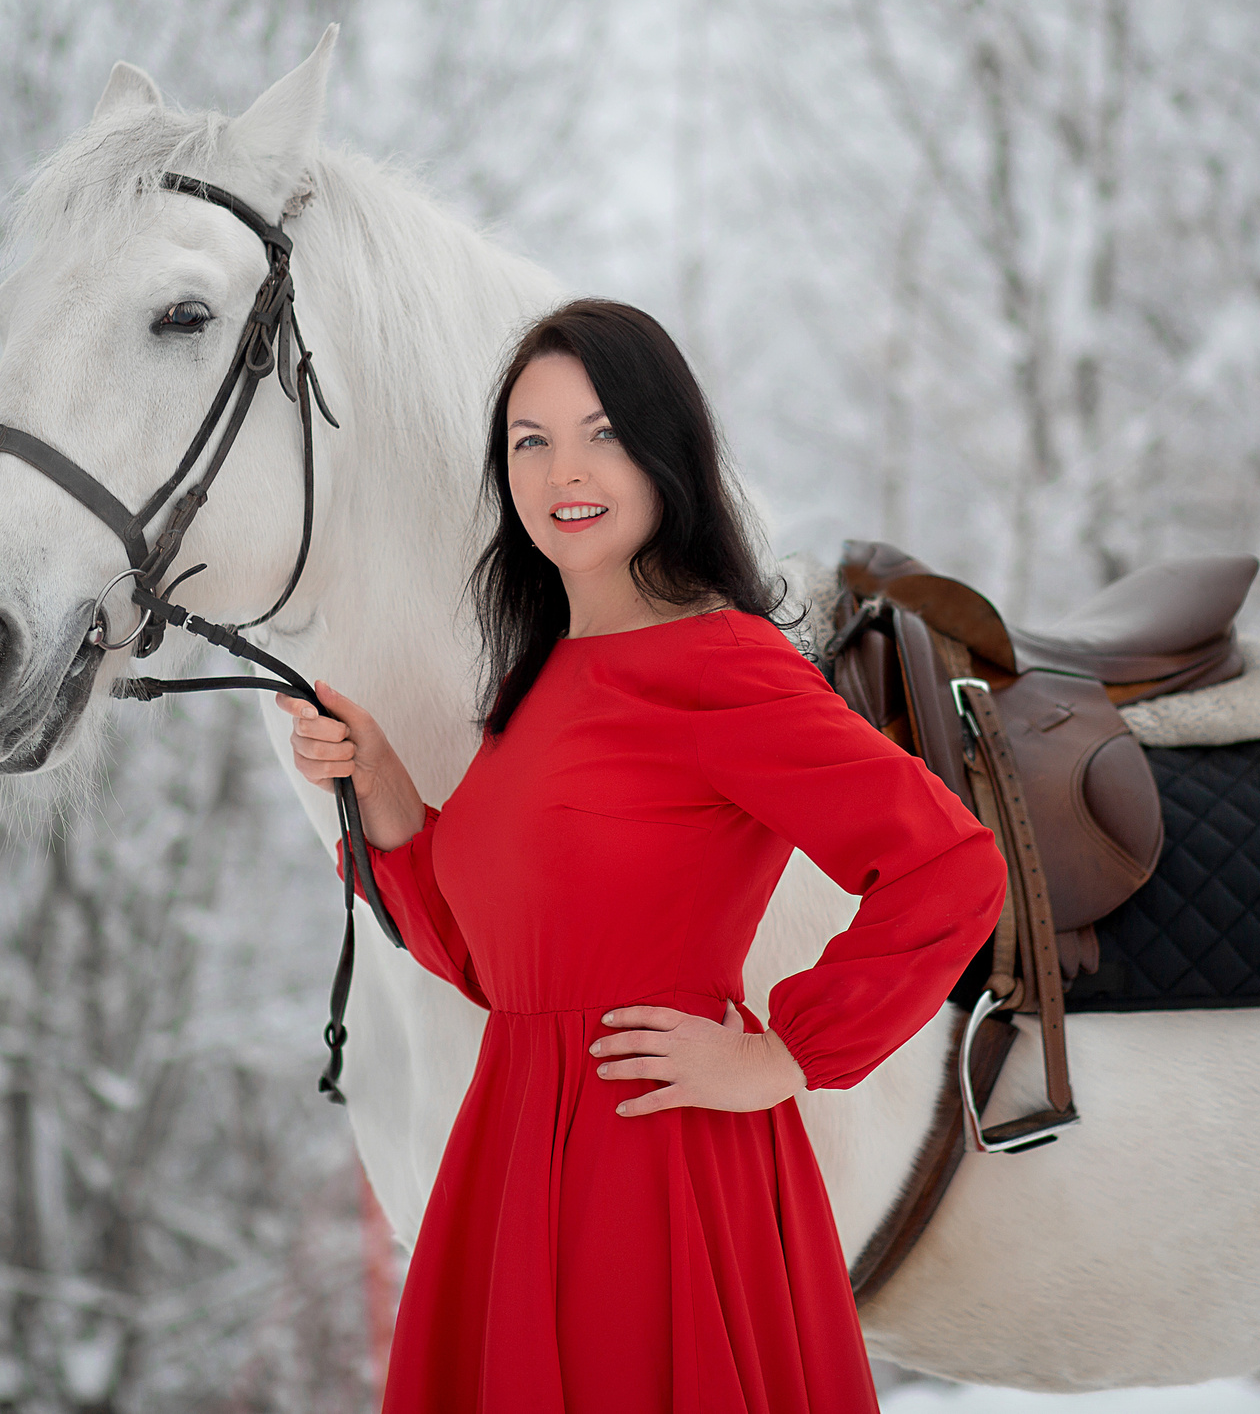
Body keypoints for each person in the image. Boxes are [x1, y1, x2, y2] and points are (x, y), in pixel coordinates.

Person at [280, 299, 1004, 1413]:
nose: (562, 468)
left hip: (658, 1173)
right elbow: (487, 960)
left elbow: (949, 870)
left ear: (667, 451)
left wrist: (784, 1056)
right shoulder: (537, 686)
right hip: (514, 1156)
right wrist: (381, 789)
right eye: (531, 441)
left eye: (601, 431)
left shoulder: (720, 665)